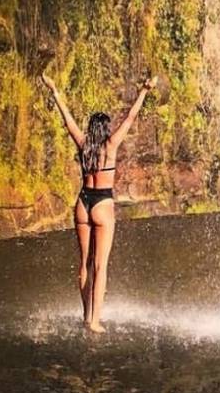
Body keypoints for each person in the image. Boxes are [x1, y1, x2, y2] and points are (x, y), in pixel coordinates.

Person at [42, 73, 156, 333]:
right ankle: (95, 321)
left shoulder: (83, 145)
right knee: (101, 265)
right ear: (105, 130)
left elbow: (66, 118)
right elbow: (130, 118)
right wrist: (144, 91)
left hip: (82, 201)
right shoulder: (111, 146)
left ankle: (85, 316)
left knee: (84, 263)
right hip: (102, 204)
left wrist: (55, 90)